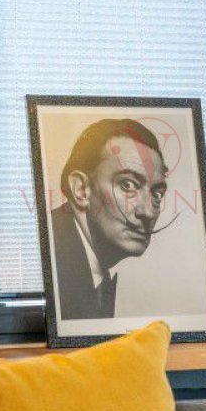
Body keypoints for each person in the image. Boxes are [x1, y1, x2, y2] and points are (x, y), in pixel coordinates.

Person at [50, 119, 167, 319]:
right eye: (127, 185)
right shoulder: (50, 254)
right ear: (81, 189)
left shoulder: (83, 264)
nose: (147, 212)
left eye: (156, 194)